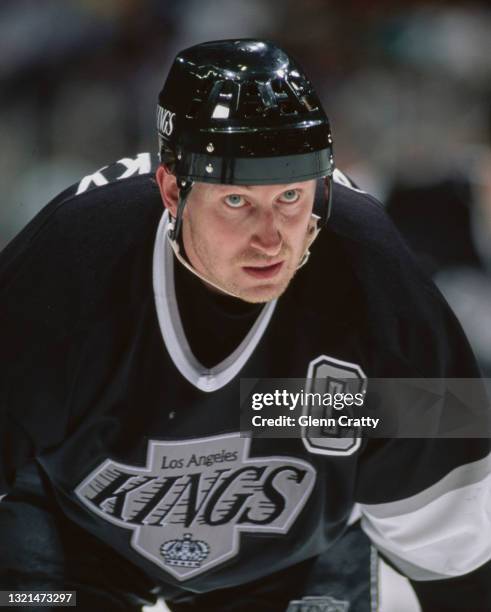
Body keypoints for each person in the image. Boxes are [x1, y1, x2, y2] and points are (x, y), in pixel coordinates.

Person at [1, 39, 490, 612]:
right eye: (236, 200)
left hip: (293, 556)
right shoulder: (72, 263)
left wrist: (290, 406)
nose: (271, 237)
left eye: (289, 195)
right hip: (74, 544)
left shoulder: (373, 276)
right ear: (171, 191)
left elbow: (457, 544)